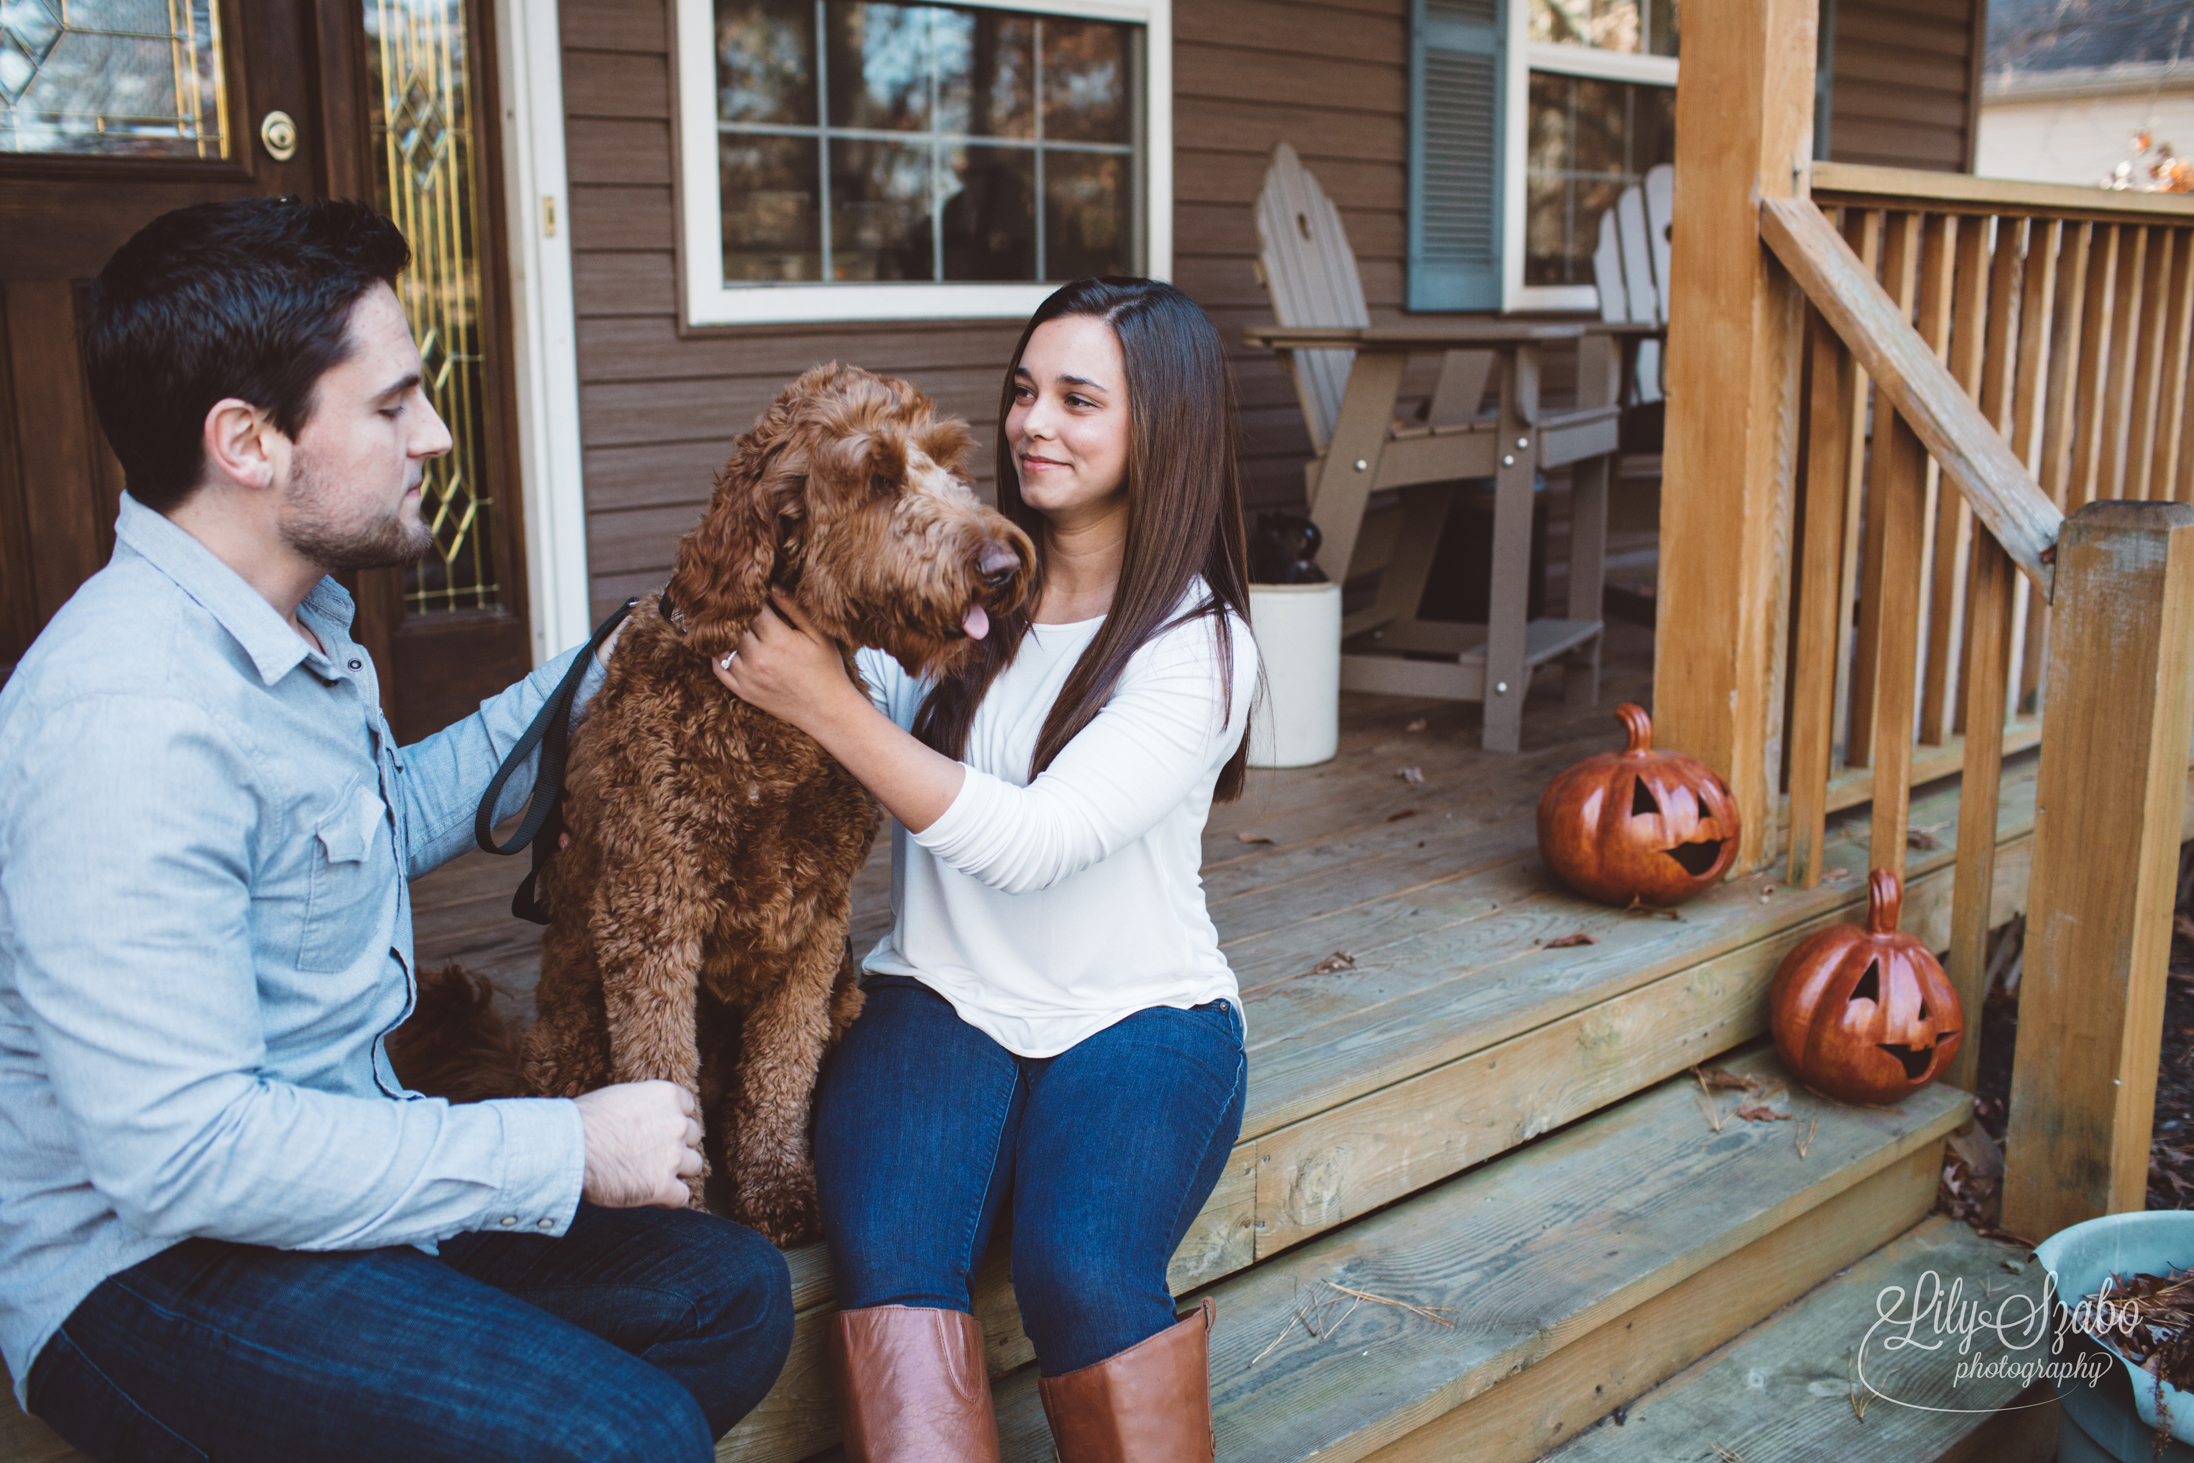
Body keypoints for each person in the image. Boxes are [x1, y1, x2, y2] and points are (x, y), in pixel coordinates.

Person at [0, 197, 793, 1463]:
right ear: (249, 442)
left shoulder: (297, 625)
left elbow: (381, 818)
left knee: (729, 1295)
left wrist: (616, 661)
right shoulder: (125, 716)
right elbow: (188, 1155)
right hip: (150, 1269)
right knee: (628, 1436)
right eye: (391, 405)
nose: (432, 434)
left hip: (337, 1162)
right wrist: (561, 1143)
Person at [717, 276, 1258, 1461]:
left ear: (1161, 424)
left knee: (1082, 1266)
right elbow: (777, 635)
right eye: (1023, 392)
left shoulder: (1197, 644)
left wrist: (828, 708)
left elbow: (1033, 842)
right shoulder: (959, 583)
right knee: (896, 1260)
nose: (1032, 424)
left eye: (1077, 399)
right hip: (939, 992)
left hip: (1138, 1012)